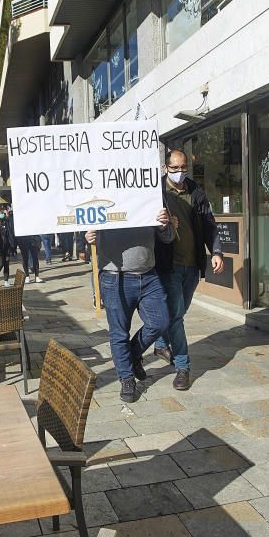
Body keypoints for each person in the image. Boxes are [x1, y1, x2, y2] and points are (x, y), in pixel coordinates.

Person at [152, 149, 225, 391]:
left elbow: (209, 224)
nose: (179, 172)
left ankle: (161, 342)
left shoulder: (196, 192)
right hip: (169, 265)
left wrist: (216, 252)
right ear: (165, 168)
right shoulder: (156, 192)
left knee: (178, 312)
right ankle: (183, 366)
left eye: (183, 167)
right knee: (175, 316)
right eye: (174, 168)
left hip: (192, 266)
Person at [85, 207, 174, 403]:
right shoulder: (100, 197)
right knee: (119, 333)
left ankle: (132, 355)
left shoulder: (148, 194)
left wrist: (163, 226)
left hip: (148, 275)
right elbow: (88, 235)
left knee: (160, 322)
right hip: (114, 277)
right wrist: (89, 237)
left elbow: (168, 237)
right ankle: (126, 378)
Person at [14, 214, 43, 283]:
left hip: (32, 239)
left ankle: (37, 276)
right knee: (25, 258)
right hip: (23, 240)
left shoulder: (33, 218)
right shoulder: (19, 218)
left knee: (35, 258)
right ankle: (27, 276)